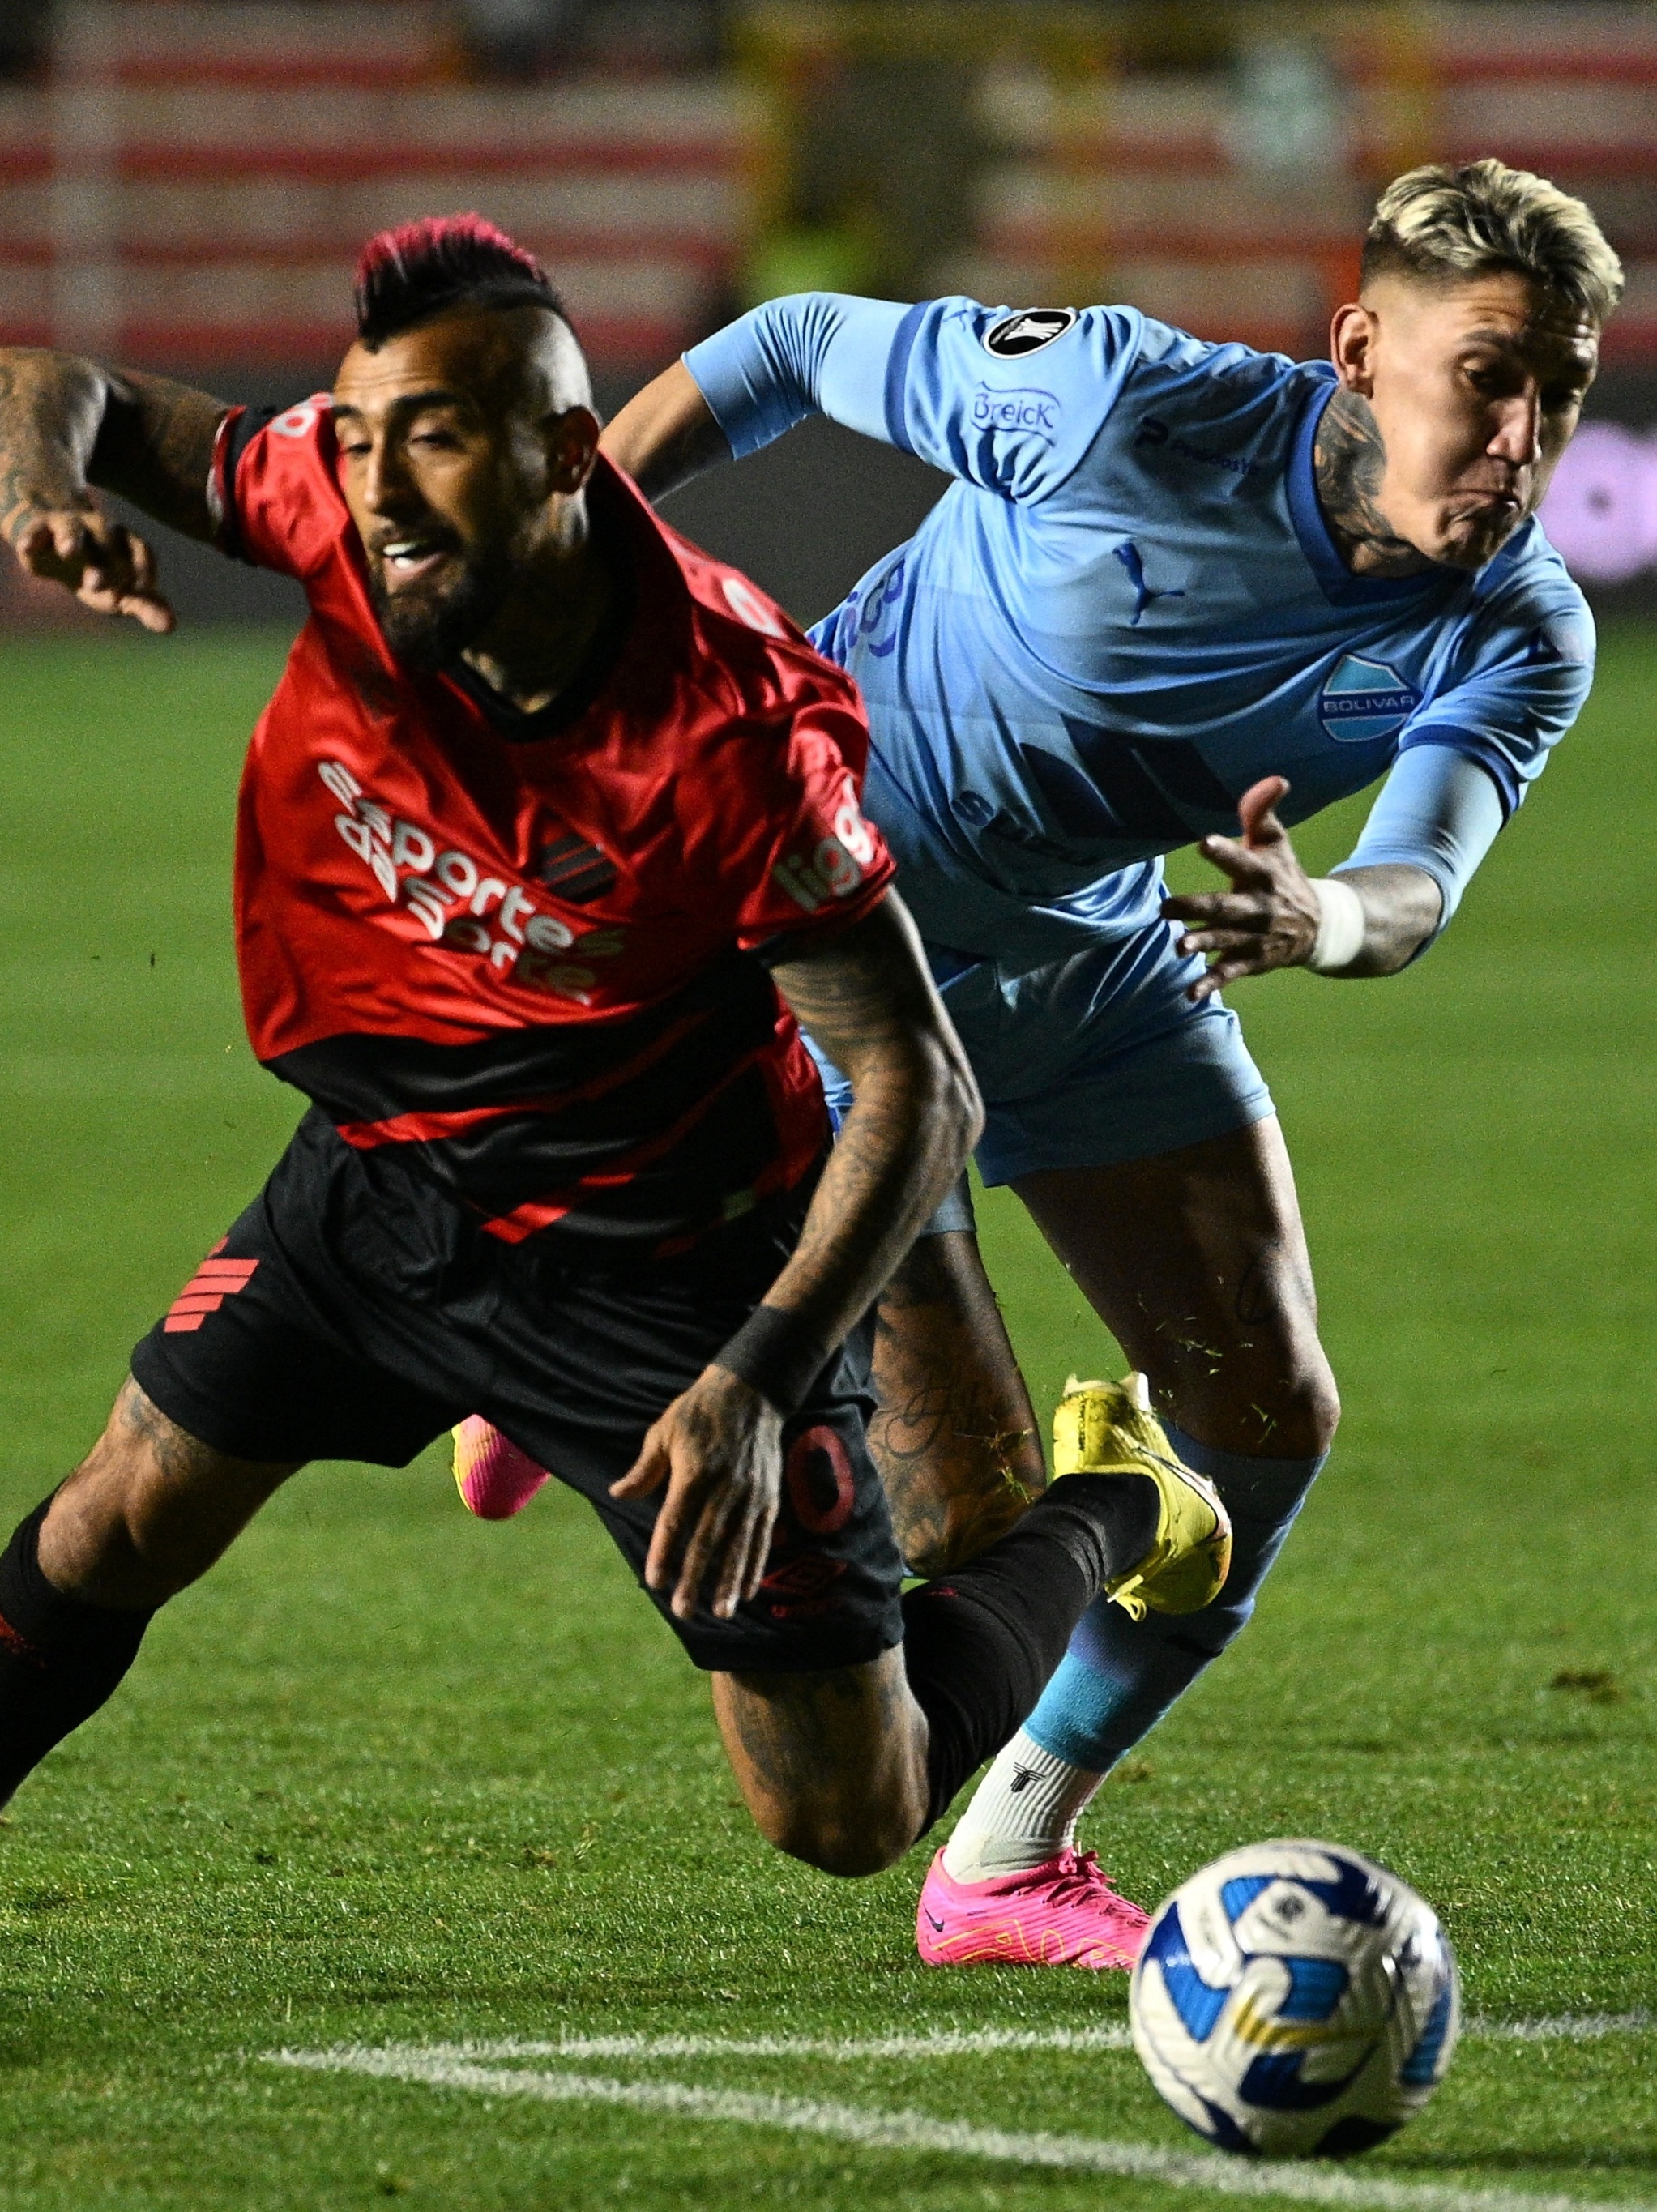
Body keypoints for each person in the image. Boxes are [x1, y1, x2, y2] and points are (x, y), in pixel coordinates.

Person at [462, 159, 1620, 1962]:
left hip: (1084, 947)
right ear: (1361, 351)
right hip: (830, 926)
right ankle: (594, 1288)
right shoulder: (1110, 402)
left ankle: (1005, 1858)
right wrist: (571, 555)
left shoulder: (1517, 623)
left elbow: (1417, 877)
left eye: (1562, 385)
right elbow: (788, 348)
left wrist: (1325, 923)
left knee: (1269, 1413)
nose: (1524, 433)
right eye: (1488, 374)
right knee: (988, 1528)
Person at [0, 216, 1233, 1873]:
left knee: (844, 1814)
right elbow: (50, 383)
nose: (374, 489)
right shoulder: (343, 510)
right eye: (357, 438)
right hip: (390, 1182)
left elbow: (921, 1087)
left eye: (434, 440)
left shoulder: (728, 729)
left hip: (677, 1268)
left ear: (570, 454)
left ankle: (1121, 1504)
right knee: (111, 1520)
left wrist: (757, 1379)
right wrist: (41, 487)